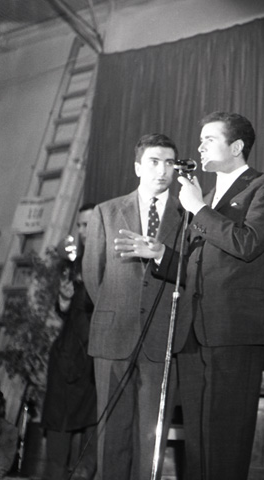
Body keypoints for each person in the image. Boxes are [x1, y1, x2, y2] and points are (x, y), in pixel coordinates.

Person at [174, 111, 264, 480]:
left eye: (209, 139)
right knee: (197, 441)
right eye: (200, 140)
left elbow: (248, 243)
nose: (200, 147)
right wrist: (160, 256)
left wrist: (198, 209)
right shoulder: (206, 197)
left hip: (234, 331)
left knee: (226, 439)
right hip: (194, 331)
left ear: (236, 146)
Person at [84, 133, 185, 480]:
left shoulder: (189, 215)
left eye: (169, 163)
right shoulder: (106, 212)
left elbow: (192, 273)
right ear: (138, 167)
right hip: (113, 337)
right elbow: (93, 275)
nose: (163, 170)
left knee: (150, 441)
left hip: (162, 340)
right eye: (154, 162)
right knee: (111, 437)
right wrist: (120, 309)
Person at [41, 203, 97, 480]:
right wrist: (64, 299)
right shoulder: (73, 264)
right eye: (80, 225)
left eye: (89, 224)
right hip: (68, 359)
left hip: (97, 360)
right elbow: (68, 311)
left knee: (95, 436)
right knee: (58, 437)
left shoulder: (112, 260)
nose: (83, 231)